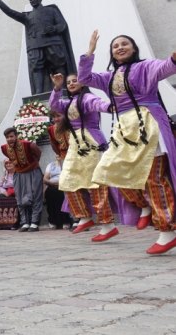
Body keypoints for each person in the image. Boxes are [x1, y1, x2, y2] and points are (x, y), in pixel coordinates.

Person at [79, 30, 176, 254]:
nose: (120, 47)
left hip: (148, 125)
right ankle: (143, 207)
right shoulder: (109, 77)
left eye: (125, 44)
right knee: (108, 172)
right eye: (115, 46)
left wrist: (173, 59)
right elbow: (85, 79)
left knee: (155, 179)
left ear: (133, 49)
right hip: (124, 130)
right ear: (112, 53)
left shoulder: (145, 67)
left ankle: (167, 232)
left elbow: (165, 68)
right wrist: (89, 52)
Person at [49, 73, 120, 241]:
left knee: (94, 184)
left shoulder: (87, 98)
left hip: (90, 142)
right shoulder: (68, 103)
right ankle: (84, 217)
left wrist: (112, 107)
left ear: (82, 83)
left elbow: (99, 104)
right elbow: (54, 104)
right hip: (76, 144)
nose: (72, 83)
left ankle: (108, 225)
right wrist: (57, 87)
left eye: (75, 80)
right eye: (69, 82)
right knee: (67, 180)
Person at [0, 0, 77, 94]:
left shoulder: (52, 10)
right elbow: (11, 13)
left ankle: (64, 88)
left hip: (53, 43)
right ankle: (38, 93)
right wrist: (0, 3)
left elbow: (62, 25)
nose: (32, 0)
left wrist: (54, 28)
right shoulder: (27, 16)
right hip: (35, 46)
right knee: (37, 68)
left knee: (58, 65)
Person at [1, 127, 43, 232]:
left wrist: (32, 165)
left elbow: (38, 154)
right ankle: (25, 222)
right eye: (7, 137)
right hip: (18, 174)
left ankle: (35, 222)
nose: (9, 139)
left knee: (35, 197)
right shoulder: (4, 148)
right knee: (20, 199)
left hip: (33, 172)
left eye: (11, 136)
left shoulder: (28, 145)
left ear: (16, 136)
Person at [42, 154, 72, 230]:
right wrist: (51, 183)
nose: (58, 155)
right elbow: (45, 179)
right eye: (56, 153)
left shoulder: (68, 164)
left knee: (61, 194)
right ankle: (52, 221)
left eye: (60, 153)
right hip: (52, 185)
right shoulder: (51, 165)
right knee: (50, 193)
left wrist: (61, 183)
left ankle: (66, 221)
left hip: (64, 186)